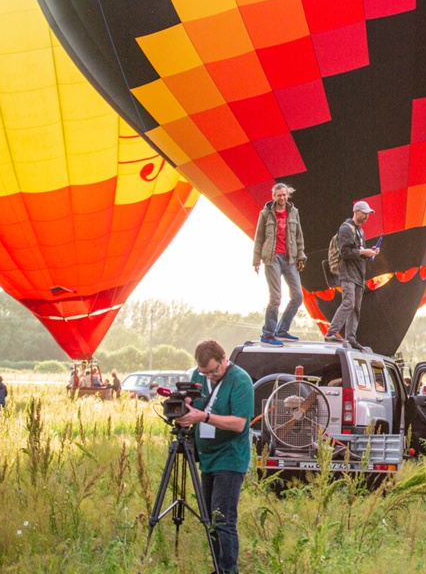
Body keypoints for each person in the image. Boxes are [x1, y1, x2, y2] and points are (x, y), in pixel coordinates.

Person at [177, 340, 254, 574]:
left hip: (230, 457)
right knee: (210, 517)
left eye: (214, 371)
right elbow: (196, 404)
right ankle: (218, 567)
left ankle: (229, 570)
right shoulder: (197, 377)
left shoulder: (240, 380)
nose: (209, 377)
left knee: (223, 519)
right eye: (204, 373)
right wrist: (185, 408)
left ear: (223, 359)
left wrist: (203, 417)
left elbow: (240, 423)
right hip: (207, 457)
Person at [252, 182, 307, 346]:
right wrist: (256, 260)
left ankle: (282, 330)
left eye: (284, 195)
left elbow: (299, 236)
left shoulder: (294, 212)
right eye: (279, 195)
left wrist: (301, 256)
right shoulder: (266, 214)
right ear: (273, 197)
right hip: (272, 258)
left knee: (298, 296)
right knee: (276, 297)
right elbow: (259, 237)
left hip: (290, 258)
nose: (282, 198)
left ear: (287, 195)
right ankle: (268, 334)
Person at [324, 200, 379, 350]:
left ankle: (351, 338)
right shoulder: (346, 229)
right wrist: (363, 252)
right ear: (356, 212)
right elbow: (345, 252)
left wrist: (370, 252)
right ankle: (331, 333)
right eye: (365, 213)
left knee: (356, 307)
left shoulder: (360, 231)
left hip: (359, 274)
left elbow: (358, 253)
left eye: (368, 213)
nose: (367, 216)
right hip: (348, 273)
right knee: (348, 303)